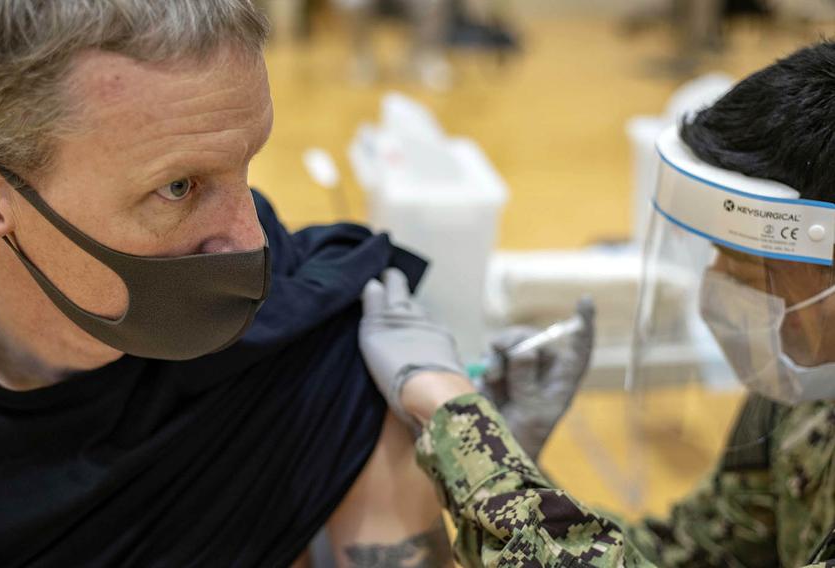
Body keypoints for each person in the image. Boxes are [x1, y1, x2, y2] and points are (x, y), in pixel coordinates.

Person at [0, 1, 454, 566]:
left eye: (246, 163)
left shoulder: (298, 335)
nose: (252, 242)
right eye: (178, 187)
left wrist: (463, 425)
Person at [358, 41, 835, 567]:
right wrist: (516, 466)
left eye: (747, 266)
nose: (717, 288)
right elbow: (693, 552)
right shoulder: (806, 385)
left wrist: (460, 427)